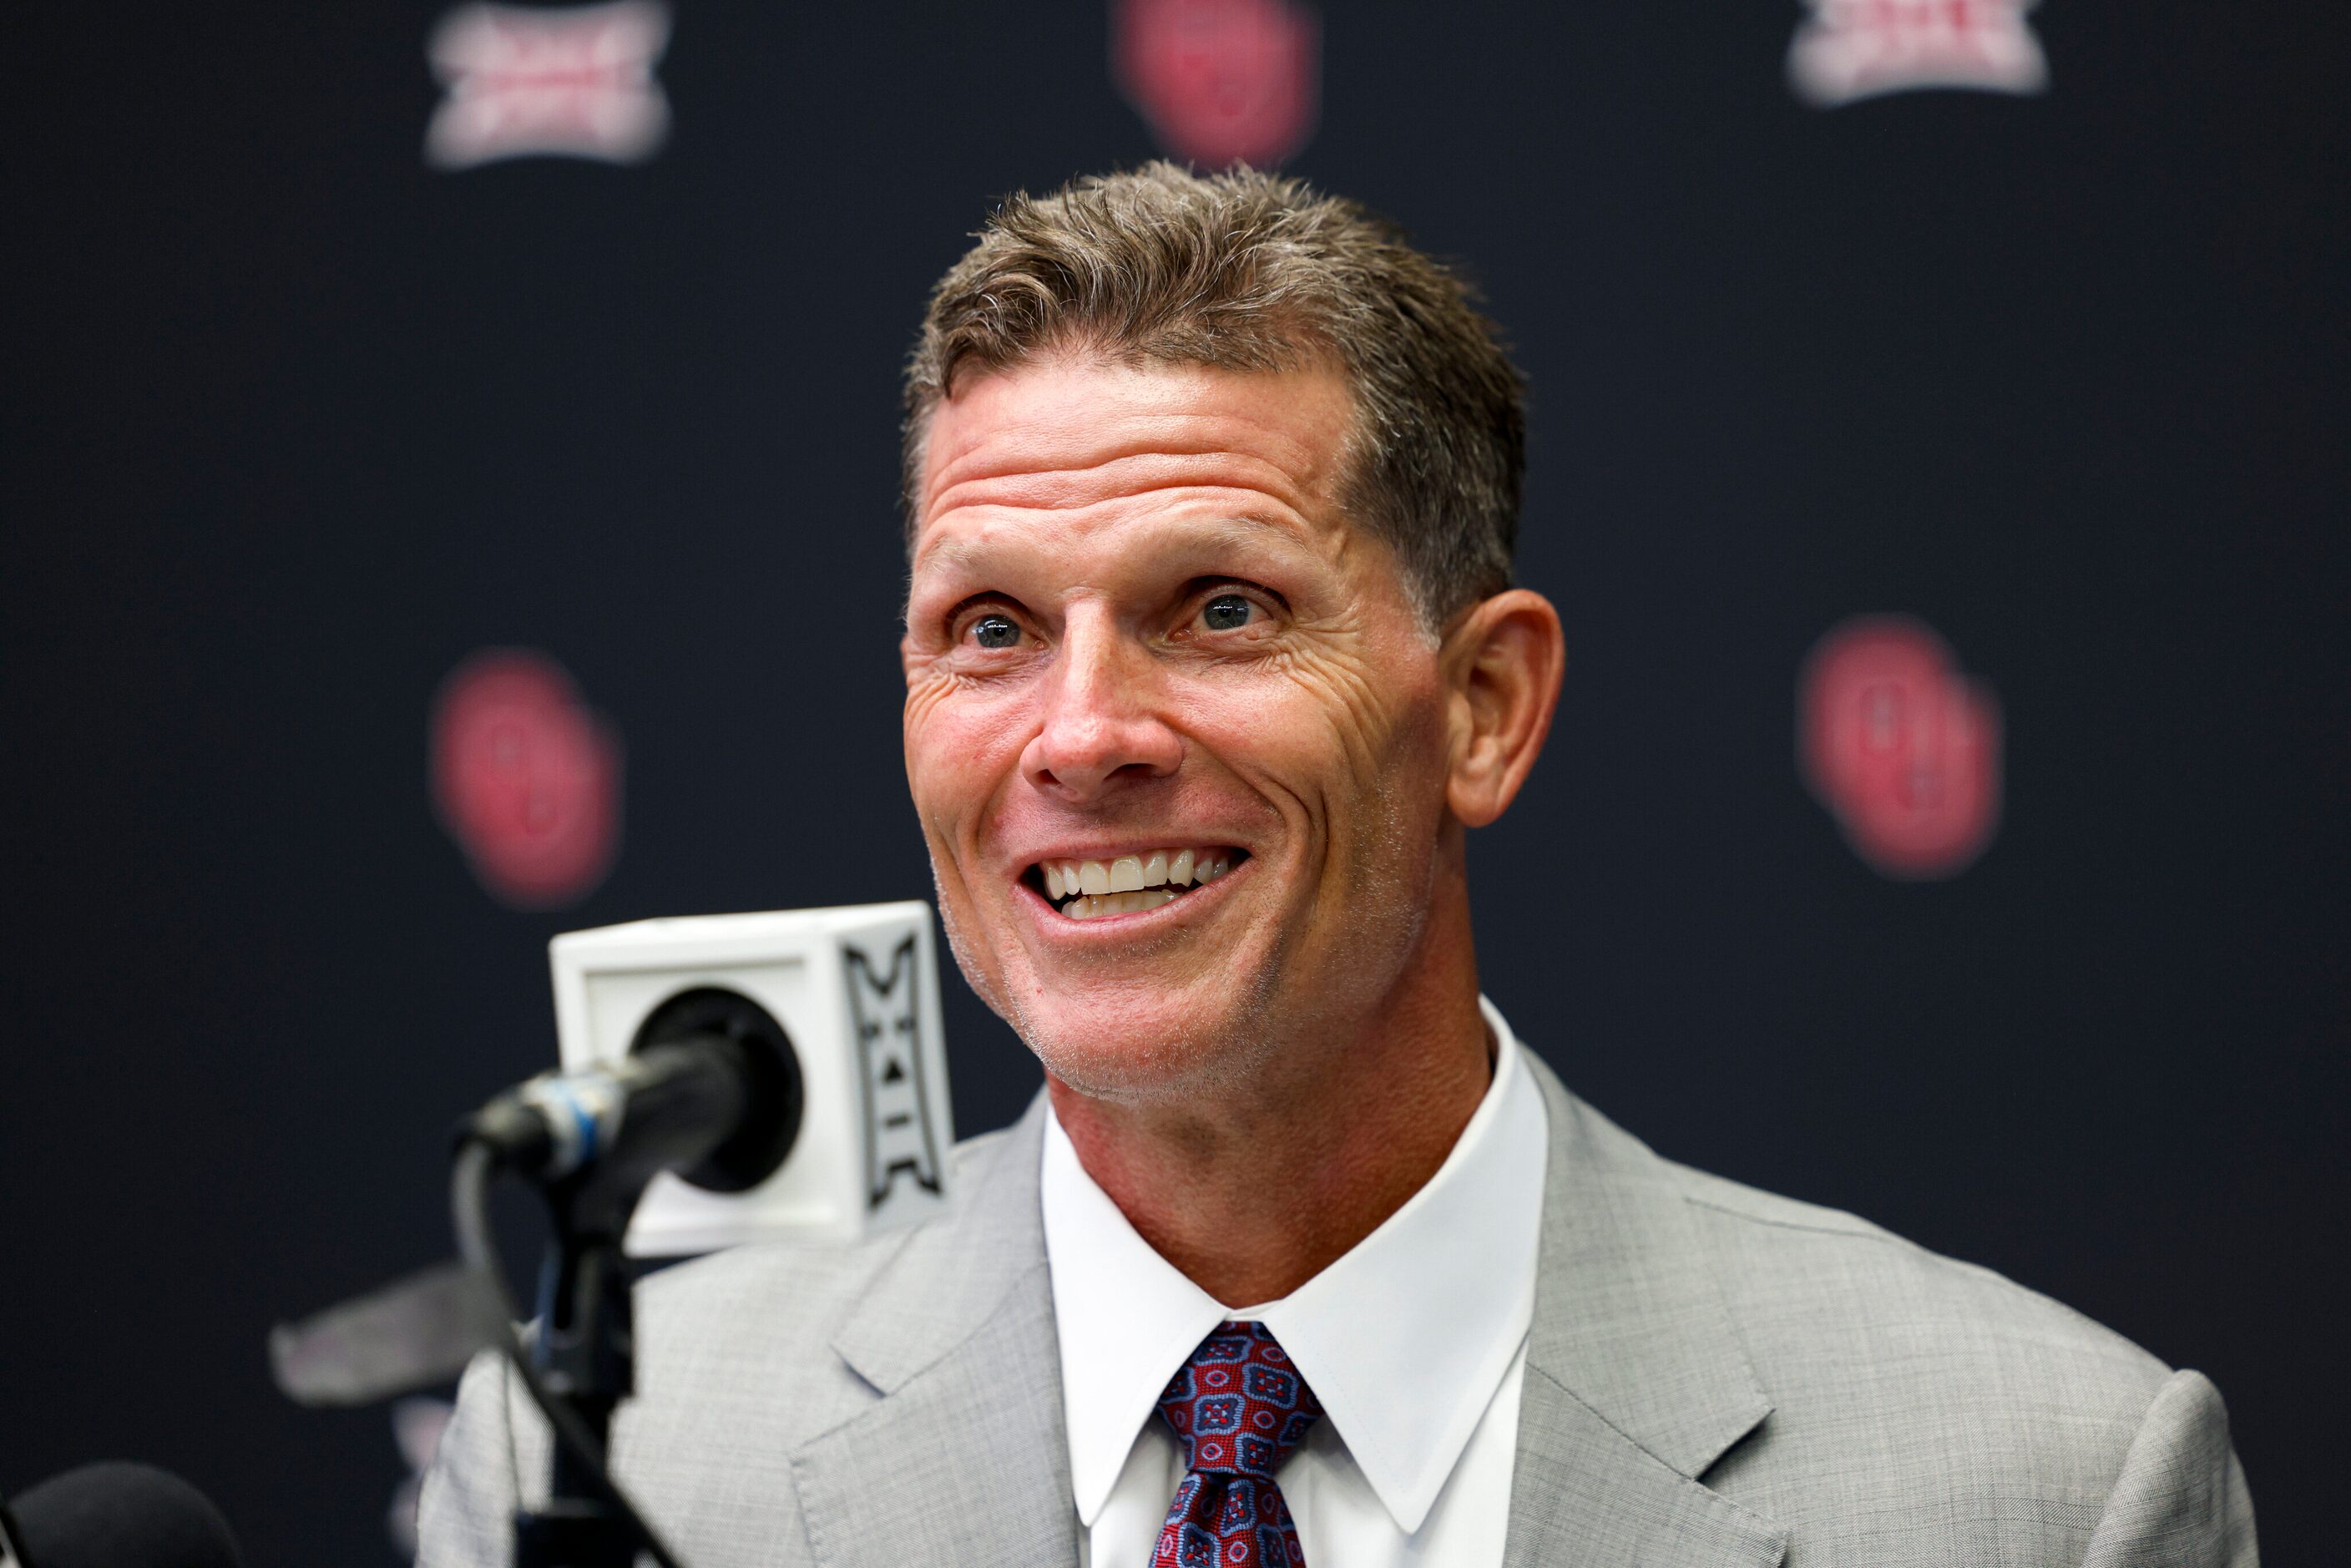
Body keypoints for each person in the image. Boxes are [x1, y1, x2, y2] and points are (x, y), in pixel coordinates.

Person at [419, 163, 2257, 1567]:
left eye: (1218, 609)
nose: (1077, 735)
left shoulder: (2042, 1487)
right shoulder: (599, 1470)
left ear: (1481, 707)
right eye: (986, 628)